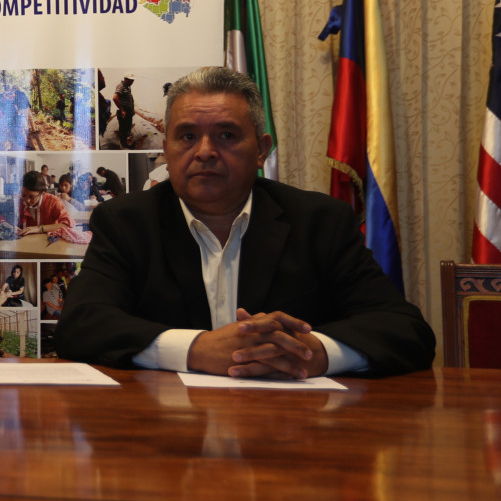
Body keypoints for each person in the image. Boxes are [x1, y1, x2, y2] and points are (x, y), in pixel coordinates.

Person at [57, 66, 436, 379]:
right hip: (168, 438)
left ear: (261, 150)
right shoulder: (126, 222)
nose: (205, 152)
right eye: (187, 136)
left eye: (226, 135)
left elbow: (405, 330)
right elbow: (81, 325)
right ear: (167, 150)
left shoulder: (320, 221)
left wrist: (314, 352)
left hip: (291, 437)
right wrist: (196, 349)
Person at [16, 170, 83, 243]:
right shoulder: (21, 201)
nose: (27, 200)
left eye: (32, 197)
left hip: (48, 242)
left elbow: (67, 224)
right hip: (27, 243)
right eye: (24, 195)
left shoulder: (53, 202)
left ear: (42, 192)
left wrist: (39, 229)